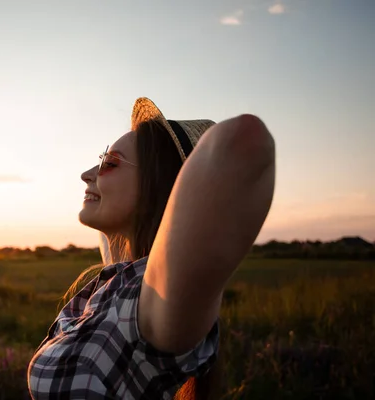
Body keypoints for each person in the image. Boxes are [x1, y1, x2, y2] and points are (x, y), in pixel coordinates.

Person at [27, 97, 276, 399]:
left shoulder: (155, 300)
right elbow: (120, 244)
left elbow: (245, 139)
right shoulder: (116, 283)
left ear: (155, 184)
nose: (88, 173)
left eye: (110, 162)